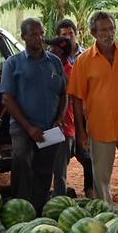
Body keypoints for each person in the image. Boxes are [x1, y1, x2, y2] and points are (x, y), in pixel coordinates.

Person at [69, 11, 118, 208]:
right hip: (100, 128)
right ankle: (105, 216)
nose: (109, 33)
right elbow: (77, 99)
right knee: (101, 177)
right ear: (93, 33)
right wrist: (81, 132)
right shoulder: (84, 61)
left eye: (112, 28)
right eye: (104, 30)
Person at [0, 18, 67, 214]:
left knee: (44, 170)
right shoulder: (13, 64)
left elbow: (64, 94)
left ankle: (38, 211)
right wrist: (29, 128)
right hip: (23, 127)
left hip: (49, 127)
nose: (39, 38)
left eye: (41, 33)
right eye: (33, 34)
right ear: (23, 36)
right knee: (21, 160)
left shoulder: (54, 62)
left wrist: (59, 118)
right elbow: (7, 99)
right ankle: (19, 209)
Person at [55, 18, 94, 196]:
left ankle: (89, 190)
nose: (68, 37)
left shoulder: (86, 56)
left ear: (76, 34)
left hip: (84, 113)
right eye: (64, 35)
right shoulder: (54, 59)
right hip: (63, 118)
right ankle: (60, 194)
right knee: (61, 159)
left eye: (71, 33)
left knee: (87, 155)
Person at [46, 35, 78, 197]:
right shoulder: (52, 69)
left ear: (62, 53)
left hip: (62, 129)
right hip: (51, 127)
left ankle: (58, 202)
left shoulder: (70, 73)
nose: (49, 52)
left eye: (53, 50)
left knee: (59, 171)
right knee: (46, 167)